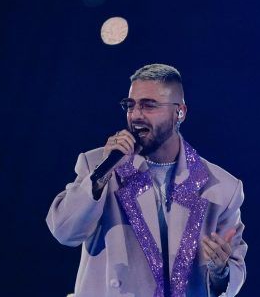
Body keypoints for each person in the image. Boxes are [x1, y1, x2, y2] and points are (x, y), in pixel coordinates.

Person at [47, 64, 247, 297]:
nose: (136, 115)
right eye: (130, 105)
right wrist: (103, 173)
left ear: (179, 112)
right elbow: (64, 232)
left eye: (149, 105)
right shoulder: (98, 165)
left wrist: (220, 271)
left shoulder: (221, 188)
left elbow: (234, 272)